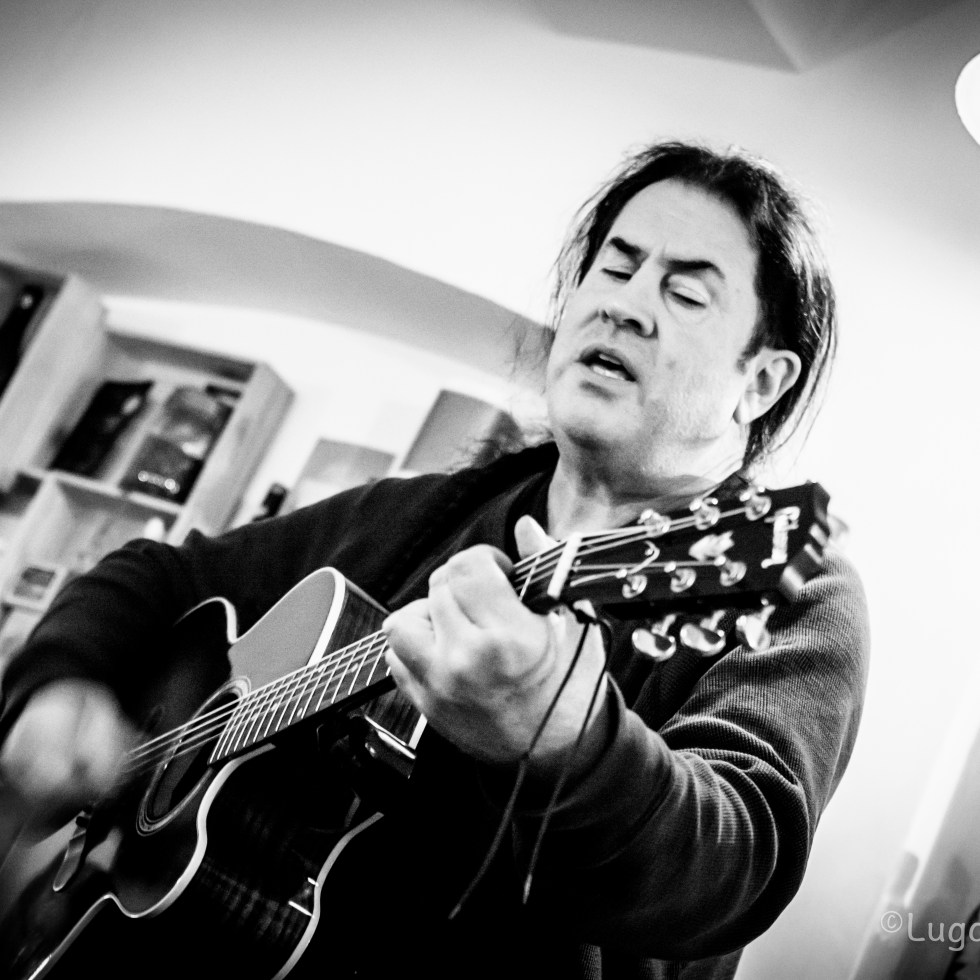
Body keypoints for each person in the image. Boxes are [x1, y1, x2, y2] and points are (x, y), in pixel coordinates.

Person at [0, 140, 869, 980]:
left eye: (685, 294)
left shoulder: (785, 586)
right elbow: (159, 576)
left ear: (761, 382)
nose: (626, 305)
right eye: (615, 266)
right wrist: (62, 682)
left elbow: (729, 868)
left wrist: (568, 742)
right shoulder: (424, 511)